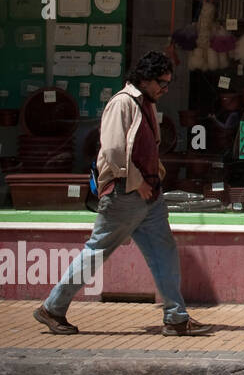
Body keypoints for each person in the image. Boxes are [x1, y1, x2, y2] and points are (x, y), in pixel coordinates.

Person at [34, 51, 213, 336]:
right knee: (96, 251)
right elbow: (114, 150)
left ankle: (176, 317)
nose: (165, 89)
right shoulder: (122, 103)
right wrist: (138, 182)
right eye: (161, 83)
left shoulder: (147, 104)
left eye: (168, 83)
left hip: (148, 197)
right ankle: (52, 308)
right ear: (144, 78)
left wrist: (155, 177)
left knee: (164, 252)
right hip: (125, 195)